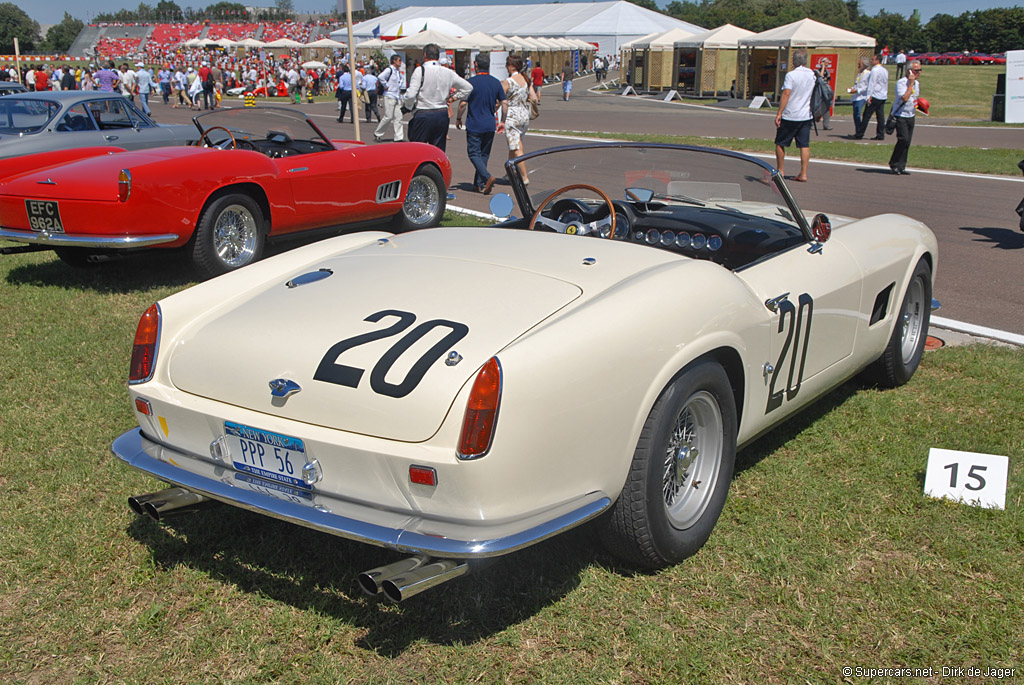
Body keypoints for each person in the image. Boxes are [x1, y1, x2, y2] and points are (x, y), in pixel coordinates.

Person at [404, 43, 472, 152]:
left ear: (425, 55)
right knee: (438, 150)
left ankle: (420, 169)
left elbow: (411, 94)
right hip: (441, 113)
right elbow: (468, 88)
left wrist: (408, 106)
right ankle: (437, 168)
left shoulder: (420, 70)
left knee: (417, 149)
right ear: (438, 56)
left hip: (423, 112)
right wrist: (452, 98)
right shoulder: (448, 72)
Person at [456, 54, 508, 194]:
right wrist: (502, 120)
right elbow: (504, 103)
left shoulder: (470, 83)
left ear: (475, 65)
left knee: (473, 154)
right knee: (484, 155)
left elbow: (462, 104)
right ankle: (478, 184)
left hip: (474, 123)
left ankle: (486, 177)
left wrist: (458, 118)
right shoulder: (495, 82)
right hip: (489, 123)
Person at [773, 49, 815, 182]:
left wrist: (779, 112)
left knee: (780, 143)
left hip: (791, 114)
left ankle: (780, 169)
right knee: (804, 144)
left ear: (793, 61)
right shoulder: (812, 74)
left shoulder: (791, 75)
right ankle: (803, 173)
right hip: (806, 114)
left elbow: (786, 93)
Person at [502, 54, 539, 184]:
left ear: (511, 66)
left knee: (517, 148)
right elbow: (534, 98)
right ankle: (510, 173)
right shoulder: (525, 80)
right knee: (515, 145)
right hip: (524, 115)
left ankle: (524, 176)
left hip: (512, 115)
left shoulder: (509, 82)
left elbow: (500, 99)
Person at [889, 60, 921, 175]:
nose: (919, 73)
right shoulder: (901, 83)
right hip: (900, 115)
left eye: (920, 70)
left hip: (910, 115)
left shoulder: (917, 84)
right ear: (909, 71)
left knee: (908, 142)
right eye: (916, 71)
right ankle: (894, 163)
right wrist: (911, 84)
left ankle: (901, 166)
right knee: (903, 139)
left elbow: (914, 99)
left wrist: (921, 107)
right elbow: (905, 98)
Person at [855, 54, 888, 140]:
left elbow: (872, 83)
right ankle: (880, 134)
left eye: (873, 59)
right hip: (882, 95)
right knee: (880, 116)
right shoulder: (885, 70)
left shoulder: (875, 70)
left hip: (875, 95)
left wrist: (868, 96)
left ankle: (860, 133)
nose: (871, 61)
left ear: (877, 61)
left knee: (866, 115)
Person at [847, 57, 871, 136]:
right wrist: (852, 89)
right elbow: (857, 84)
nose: (858, 65)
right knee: (855, 114)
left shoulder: (868, 74)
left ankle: (860, 131)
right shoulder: (859, 73)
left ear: (864, 65)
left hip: (862, 96)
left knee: (858, 113)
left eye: (860, 64)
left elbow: (866, 86)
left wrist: (857, 90)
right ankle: (858, 130)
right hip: (856, 96)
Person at [815, 60, 833, 130]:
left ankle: (826, 125)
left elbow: (827, 80)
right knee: (815, 106)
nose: (827, 65)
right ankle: (811, 124)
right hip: (818, 91)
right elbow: (820, 77)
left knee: (827, 106)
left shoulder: (827, 72)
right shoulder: (817, 71)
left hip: (825, 91)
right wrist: (822, 67)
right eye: (825, 63)